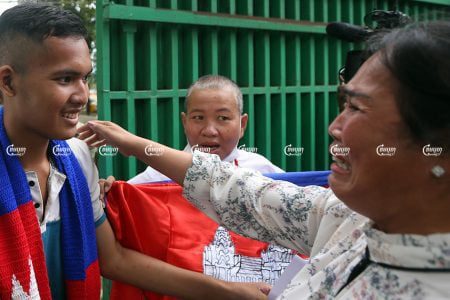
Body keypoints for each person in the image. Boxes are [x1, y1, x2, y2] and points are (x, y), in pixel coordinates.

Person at [79, 20, 450, 299]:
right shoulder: (348, 218)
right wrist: (131, 152)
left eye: (356, 108)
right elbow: (242, 194)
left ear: (435, 147)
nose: (335, 127)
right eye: (342, 105)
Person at [0, 3, 269, 299]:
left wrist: (229, 291)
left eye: (85, 78)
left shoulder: (76, 159)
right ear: (8, 81)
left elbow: (115, 260)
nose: (81, 95)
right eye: (64, 79)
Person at [128, 74, 283, 184]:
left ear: (242, 125)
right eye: (198, 118)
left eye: (223, 118)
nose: (209, 131)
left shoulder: (263, 172)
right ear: (184, 122)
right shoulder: (159, 175)